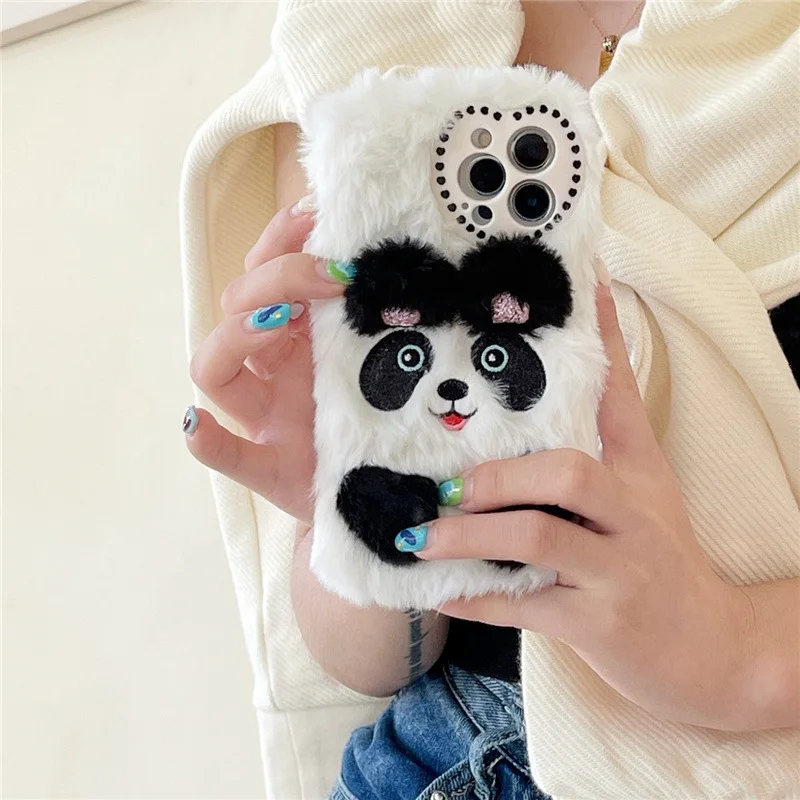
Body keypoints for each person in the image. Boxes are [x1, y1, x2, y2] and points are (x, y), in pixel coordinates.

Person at [181, 1, 800, 797]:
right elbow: (369, 661)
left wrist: (742, 653)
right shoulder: (365, 37)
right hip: (428, 760)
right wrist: (361, 515)